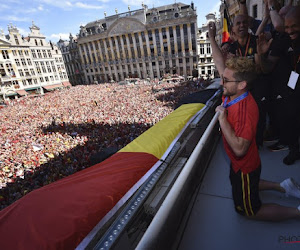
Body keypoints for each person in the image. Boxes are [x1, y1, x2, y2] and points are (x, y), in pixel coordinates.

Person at [215, 57, 300, 221]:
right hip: (243, 165)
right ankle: (282, 186)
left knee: (250, 210)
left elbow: (240, 149)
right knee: (245, 184)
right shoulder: (233, 92)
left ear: (242, 85)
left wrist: (223, 120)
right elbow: (220, 62)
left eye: (225, 80)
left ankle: (297, 212)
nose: (221, 83)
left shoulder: (245, 111)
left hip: (245, 166)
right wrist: (211, 37)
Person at [256, 6, 300, 164]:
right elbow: (267, 67)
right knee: (290, 117)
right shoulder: (282, 39)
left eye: (294, 26)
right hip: (291, 88)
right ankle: (294, 148)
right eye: (287, 26)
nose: (290, 30)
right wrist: (261, 54)